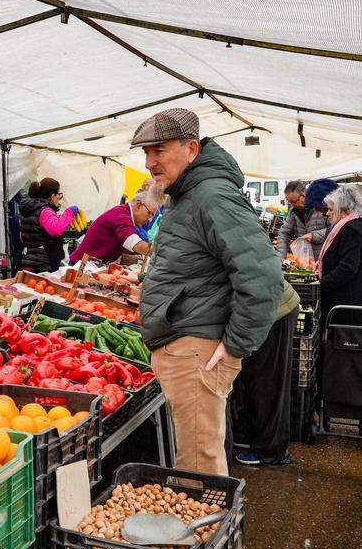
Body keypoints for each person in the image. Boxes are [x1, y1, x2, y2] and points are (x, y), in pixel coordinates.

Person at [135, 108, 283, 476]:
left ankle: (205, 533)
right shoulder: (188, 194)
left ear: (191, 149)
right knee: (195, 463)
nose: (150, 162)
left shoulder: (211, 196)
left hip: (196, 351)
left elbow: (263, 276)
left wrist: (235, 345)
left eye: (159, 150)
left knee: (200, 473)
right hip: (185, 345)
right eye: (145, 153)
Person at [230, 280, 300, 467]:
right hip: (261, 308)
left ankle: (270, 451)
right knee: (254, 379)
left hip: (272, 310)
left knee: (267, 383)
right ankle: (256, 437)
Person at [317, 184, 362, 328]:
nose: (327, 213)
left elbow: (348, 268)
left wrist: (322, 284)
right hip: (352, 306)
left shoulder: (352, 229)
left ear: (344, 210)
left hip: (353, 309)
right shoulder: (352, 225)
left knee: (352, 347)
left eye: (331, 209)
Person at [68, 189, 160, 264]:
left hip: (91, 264)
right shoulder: (121, 216)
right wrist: (162, 253)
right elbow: (135, 243)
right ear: (138, 206)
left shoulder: (125, 213)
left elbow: (125, 244)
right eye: (149, 214)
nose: (150, 219)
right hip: (81, 266)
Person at [18, 178, 77, 272]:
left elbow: (22, 237)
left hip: (29, 259)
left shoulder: (30, 210)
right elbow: (55, 230)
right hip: (44, 264)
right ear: (52, 196)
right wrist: (69, 213)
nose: (59, 197)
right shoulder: (45, 211)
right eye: (59, 194)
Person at [276, 179, 332, 260]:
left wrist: (313, 236)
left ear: (303, 195)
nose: (292, 205)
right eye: (289, 202)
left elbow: (335, 230)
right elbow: (284, 233)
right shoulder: (294, 212)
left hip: (325, 260)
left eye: (294, 201)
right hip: (305, 262)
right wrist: (280, 256)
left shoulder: (322, 207)